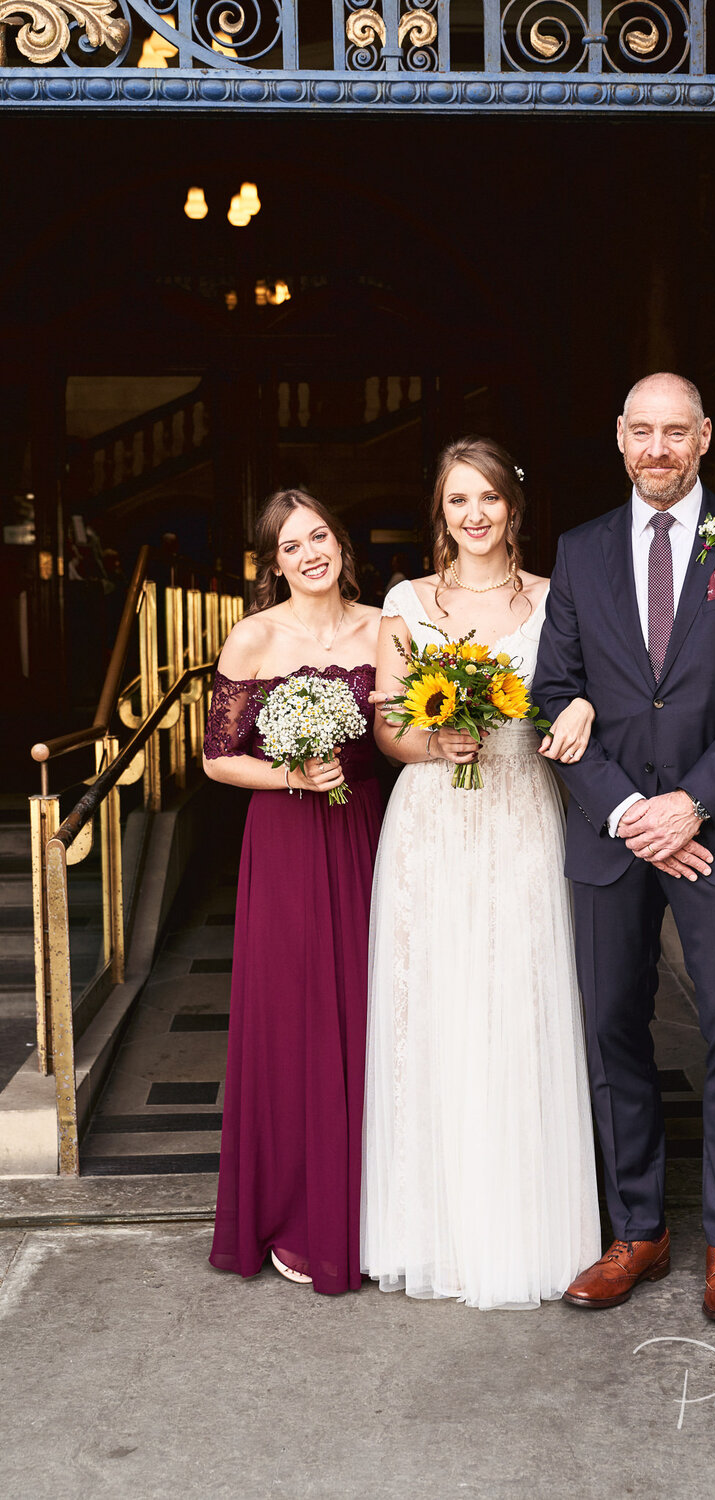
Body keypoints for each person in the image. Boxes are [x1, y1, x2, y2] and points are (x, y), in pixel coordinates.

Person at [533, 373, 715, 1322]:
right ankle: (637, 1233)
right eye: (640, 431)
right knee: (614, 1032)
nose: (657, 448)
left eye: (673, 432)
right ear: (619, 439)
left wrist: (690, 804)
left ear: (703, 440)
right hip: (611, 836)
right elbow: (554, 694)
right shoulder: (579, 552)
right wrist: (627, 813)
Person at [362, 437, 601, 1310]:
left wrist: (573, 709)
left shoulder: (553, 598)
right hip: (432, 821)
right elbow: (388, 728)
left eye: (489, 499)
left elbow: (584, 690)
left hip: (522, 814)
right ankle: (436, 1231)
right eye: (458, 500)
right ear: (441, 512)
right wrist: (435, 739)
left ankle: (527, 1229)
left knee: (519, 1004)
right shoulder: (405, 602)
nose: (474, 515)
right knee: (437, 1012)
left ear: (513, 509)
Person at [204, 488, 382, 1295]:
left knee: (374, 1010)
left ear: (339, 541)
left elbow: (402, 732)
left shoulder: (385, 625)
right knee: (295, 1016)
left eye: (319, 535)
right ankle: (297, 1208)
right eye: (290, 546)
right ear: (273, 565)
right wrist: (291, 773)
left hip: (371, 834)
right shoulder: (253, 637)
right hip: (284, 843)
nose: (310, 553)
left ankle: (378, 1207)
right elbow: (216, 757)